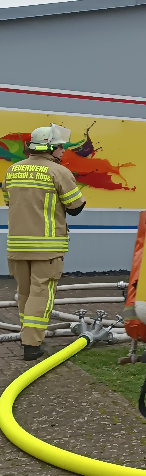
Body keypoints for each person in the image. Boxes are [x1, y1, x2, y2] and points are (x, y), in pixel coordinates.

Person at [1, 124, 86, 361]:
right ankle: (32, 345)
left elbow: (9, 201)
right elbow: (76, 207)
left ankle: (27, 337)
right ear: (50, 148)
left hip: (17, 246)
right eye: (60, 146)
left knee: (24, 294)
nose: (63, 150)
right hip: (46, 248)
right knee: (40, 295)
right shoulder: (59, 172)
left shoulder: (13, 170)